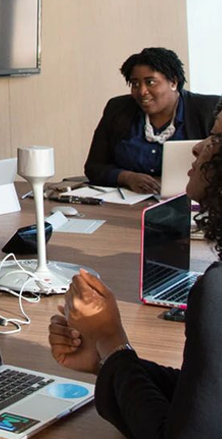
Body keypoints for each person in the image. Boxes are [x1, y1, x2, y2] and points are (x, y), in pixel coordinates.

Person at [49, 132, 222, 437]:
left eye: (217, 138)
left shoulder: (216, 292)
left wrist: (110, 339)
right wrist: (108, 361)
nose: (198, 147)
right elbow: (200, 398)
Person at [84, 47, 218, 193]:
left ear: (173, 82)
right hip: (129, 200)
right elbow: (94, 167)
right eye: (135, 84)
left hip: (192, 199)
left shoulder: (209, 110)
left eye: (150, 82)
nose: (142, 91)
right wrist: (127, 177)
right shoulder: (117, 109)